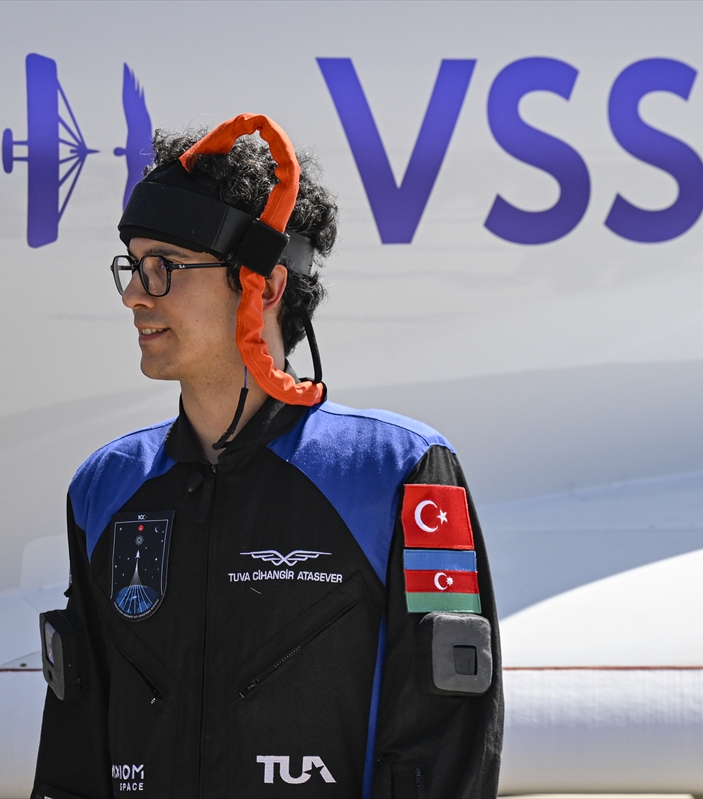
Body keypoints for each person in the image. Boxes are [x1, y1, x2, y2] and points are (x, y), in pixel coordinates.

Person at [33, 115, 502, 799]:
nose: (135, 293)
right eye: (132, 266)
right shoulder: (105, 486)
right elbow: (73, 747)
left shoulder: (400, 471)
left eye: (165, 267)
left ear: (267, 286)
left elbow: (448, 734)